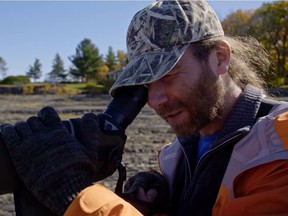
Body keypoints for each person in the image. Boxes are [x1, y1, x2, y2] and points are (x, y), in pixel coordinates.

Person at [1, 0, 288, 215]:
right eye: (145, 85)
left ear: (220, 58)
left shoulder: (279, 145)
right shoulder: (177, 155)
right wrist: (158, 200)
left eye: (168, 74)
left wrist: (75, 194)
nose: (154, 100)